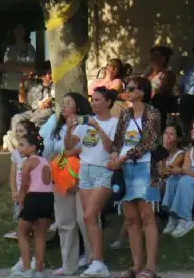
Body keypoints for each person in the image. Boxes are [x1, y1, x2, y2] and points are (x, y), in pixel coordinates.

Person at [109, 76, 161, 278]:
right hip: (126, 170)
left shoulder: (153, 113)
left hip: (148, 169)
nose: (127, 92)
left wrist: (123, 158)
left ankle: (151, 267)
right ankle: (137, 265)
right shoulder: (125, 114)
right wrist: (115, 155)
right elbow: (117, 141)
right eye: (126, 88)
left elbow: (148, 142)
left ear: (142, 92)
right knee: (131, 218)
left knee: (148, 216)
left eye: (131, 89)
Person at [65, 87, 119, 278]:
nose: (94, 103)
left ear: (108, 102)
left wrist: (97, 126)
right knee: (90, 219)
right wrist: (69, 129)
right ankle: (97, 261)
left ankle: (98, 261)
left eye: (98, 100)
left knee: (89, 215)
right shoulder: (84, 122)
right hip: (84, 170)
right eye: (92, 100)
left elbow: (110, 146)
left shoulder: (114, 122)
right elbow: (69, 146)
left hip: (102, 170)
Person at [47, 93, 93, 276]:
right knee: (65, 222)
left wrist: (67, 153)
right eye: (62, 103)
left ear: (78, 107)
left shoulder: (87, 126)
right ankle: (69, 265)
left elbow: (80, 149)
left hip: (81, 177)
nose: (64, 107)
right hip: (60, 178)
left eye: (68, 103)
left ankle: (92, 261)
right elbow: (49, 151)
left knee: (85, 219)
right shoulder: (56, 128)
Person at [10, 131, 54, 278]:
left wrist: (21, 206)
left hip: (33, 198)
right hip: (48, 198)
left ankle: (28, 270)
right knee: (40, 235)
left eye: (22, 145)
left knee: (21, 233)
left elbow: (24, 188)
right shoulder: (45, 161)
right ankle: (40, 271)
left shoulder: (27, 163)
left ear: (33, 147)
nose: (19, 149)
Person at [0, 23, 37, 153]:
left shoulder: (29, 48)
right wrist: (19, 67)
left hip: (22, 87)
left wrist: (14, 66)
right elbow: (3, 66)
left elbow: (31, 68)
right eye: (16, 30)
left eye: (20, 30)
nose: (18, 32)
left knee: (18, 116)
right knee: (3, 116)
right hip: (6, 85)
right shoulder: (9, 48)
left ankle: (18, 143)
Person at [8, 61, 55, 149]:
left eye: (50, 73)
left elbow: (49, 100)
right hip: (33, 111)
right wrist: (21, 83)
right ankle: (16, 139)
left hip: (47, 111)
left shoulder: (55, 85)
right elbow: (21, 100)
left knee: (34, 120)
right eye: (45, 74)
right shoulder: (33, 84)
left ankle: (25, 142)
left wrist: (45, 102)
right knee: (16, 118)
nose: (48, 76)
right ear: (40, 75)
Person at [6, 120, 40, 241]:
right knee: (20, 214)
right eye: (17, 131)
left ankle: (30, 235)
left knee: (31, 217)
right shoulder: (15, 154)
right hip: (19, 192)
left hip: (32, 192)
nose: (18, 134)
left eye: (21, 131)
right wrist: (14, 191)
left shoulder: (36, 154)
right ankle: (22, 233)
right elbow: (13, 175)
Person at [145, 46, 177, 122]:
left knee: (157, 98)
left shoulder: (168, 74)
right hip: (146, 100)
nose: (152, 58)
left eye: (155, 55)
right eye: (152, 55)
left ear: (163, 58)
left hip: (160, 101)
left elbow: (163, 90)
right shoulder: (148, 74)